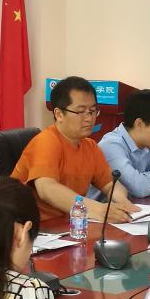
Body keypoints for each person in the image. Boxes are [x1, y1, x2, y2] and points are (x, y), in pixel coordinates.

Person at [12, 76, 138, 223]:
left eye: (92, 111)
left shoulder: (91, 147)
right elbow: (47, 189)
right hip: (32, 226)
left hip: (69, 224)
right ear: (59, 114)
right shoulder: (46, 141)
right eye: (80, 112)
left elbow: (110, 184)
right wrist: (99, 210)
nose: (89, 118)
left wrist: (122, 203)